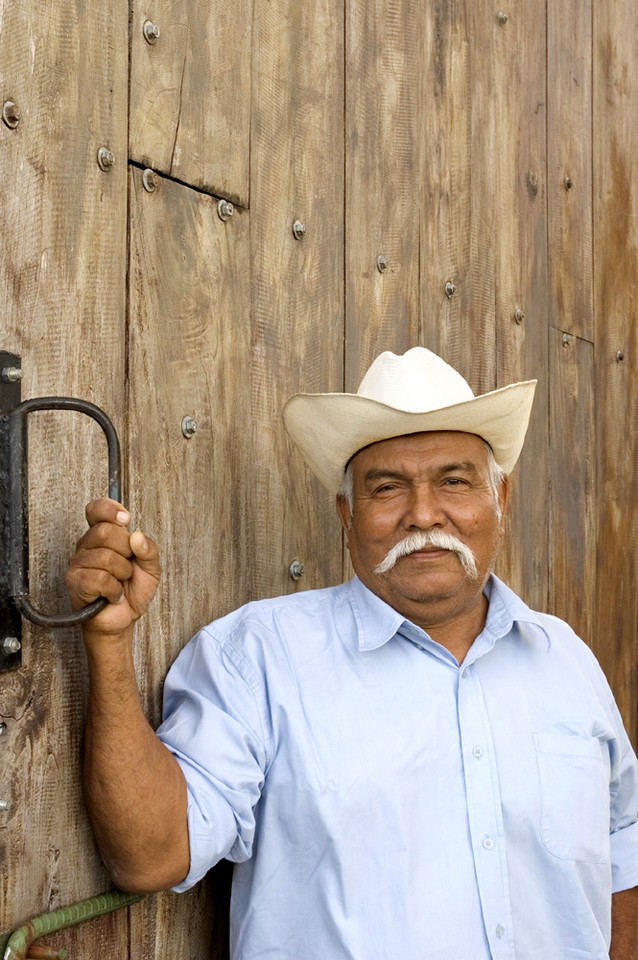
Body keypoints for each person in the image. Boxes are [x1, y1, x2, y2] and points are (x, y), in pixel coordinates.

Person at [66, 347, 638, 960]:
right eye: (387, 488)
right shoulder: (260, 658)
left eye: (454, 480)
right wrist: (110, 641)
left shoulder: (567, 662)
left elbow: (621, 858)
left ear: (501, 498)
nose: (423, 515)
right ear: (347, 514)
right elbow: (150, 857)